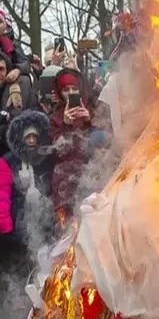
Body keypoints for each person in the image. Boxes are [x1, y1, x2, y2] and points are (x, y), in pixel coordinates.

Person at [0, 110, 54, 280]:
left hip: (46, 215)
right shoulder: (7, 161)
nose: (32, 141)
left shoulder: (46, 157)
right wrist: (5, 226)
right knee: (26, 260)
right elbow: (1, 195)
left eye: (35, 137)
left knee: (47, 255)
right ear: (20, 138)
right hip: (20, 217)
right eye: (28, 137)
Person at [49, 68, 93, 221]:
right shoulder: (55, 118)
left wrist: (89, 122)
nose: (71, 93)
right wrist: (65, 125)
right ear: (60, 93)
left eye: (74, 88)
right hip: (64, 180)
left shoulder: (92, 111)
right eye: (66, 90)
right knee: (66, 224)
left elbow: (103, 145)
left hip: (90, 174)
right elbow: (56, 151)